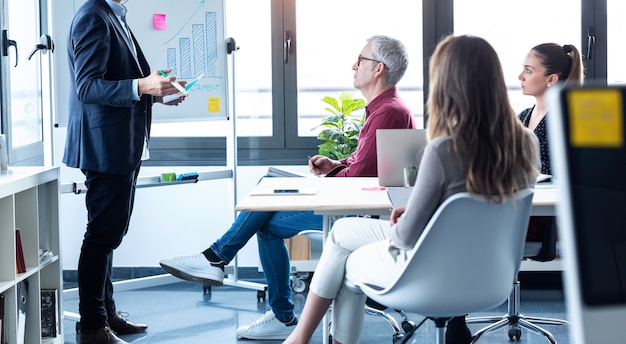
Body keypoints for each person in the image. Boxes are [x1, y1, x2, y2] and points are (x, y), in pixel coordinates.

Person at [281, 34, 541, 344]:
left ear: (446, 83)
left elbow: (405, 237)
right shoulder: (527, 144)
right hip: (493, 278)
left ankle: (300, 338)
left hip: (429, 273)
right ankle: (299, 338)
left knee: (344, 256)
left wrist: (403, 220)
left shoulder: (443, 150)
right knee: (344, 244)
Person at [159, 35, 416, 340]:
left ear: (378, 69)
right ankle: (221, 263)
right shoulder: (385, 107)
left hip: (356, 211)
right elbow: (366, 162)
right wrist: (334, 165)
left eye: (360, 59)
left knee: (266, 211)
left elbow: (360, 176)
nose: (353, 65)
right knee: (268, 195)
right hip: (355, 200)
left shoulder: (387, 111)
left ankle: (224, 265)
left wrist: (330, 177)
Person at [63, 0, 187, 344]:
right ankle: (92, 326)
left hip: (120, 144)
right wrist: (140, 85)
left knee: (110, 234)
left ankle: (107, 315)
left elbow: (121, 81)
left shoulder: (114, 15)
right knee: (101, 236)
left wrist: (158, 89)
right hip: (105, 147)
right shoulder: (92, 17)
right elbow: (88, 87)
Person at [517, 43, 584, 258]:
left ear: (551, 79)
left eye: (528, 70)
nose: (520, 76)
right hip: (523, 209)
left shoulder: (567, 120)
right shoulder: (522, 118)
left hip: (550, 218)